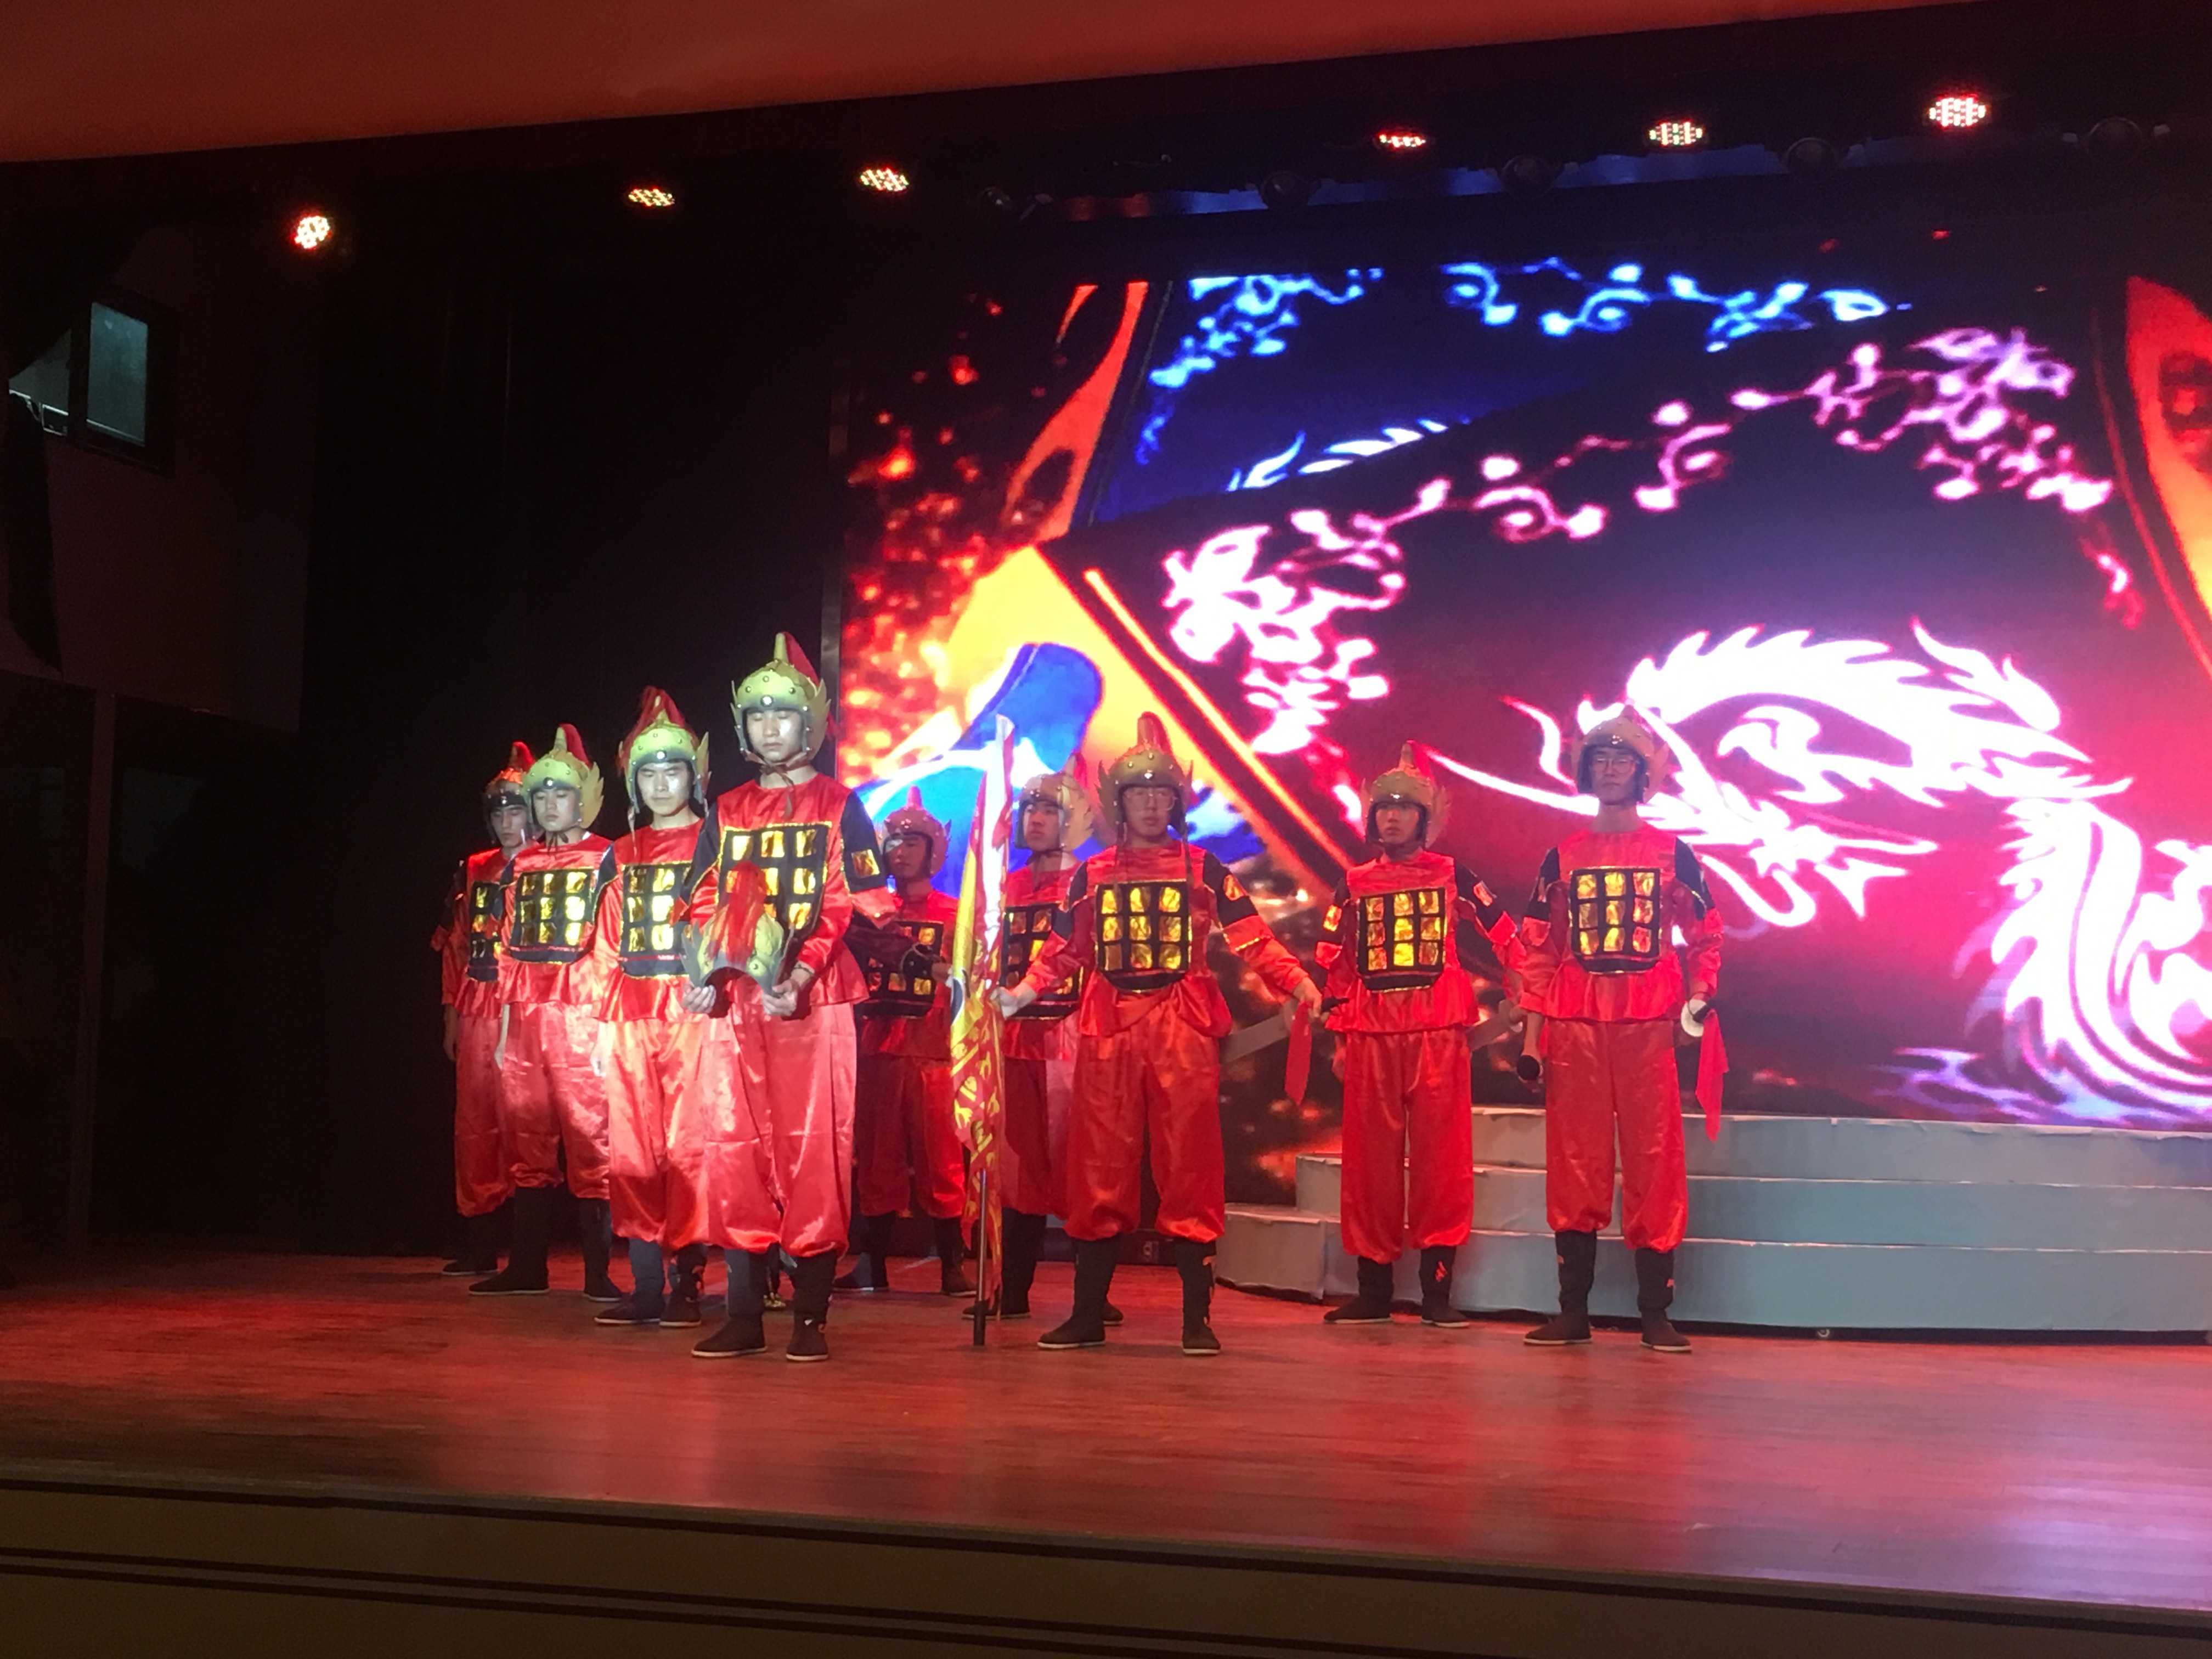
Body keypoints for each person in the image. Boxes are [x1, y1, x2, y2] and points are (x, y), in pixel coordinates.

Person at [999, 713, 1322, 1356]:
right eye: (1139, 793)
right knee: (1098, 1163)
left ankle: (1197, 1318)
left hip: (1182, 1023)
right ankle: (1087, 1312)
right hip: (1109, 1025)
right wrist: (1019, 995)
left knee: (1190, 1163)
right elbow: (1064, 950)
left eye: (1162, 793)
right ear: (1119, 803)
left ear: (1177, 802)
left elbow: (1253, 938)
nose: (1151, 803)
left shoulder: (1205, 869)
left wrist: (1298, 982)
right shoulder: (1092, 874)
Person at [699, 632, 895, 1362]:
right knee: (736, 1146)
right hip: (739, 1002)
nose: (770, 727)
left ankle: (809, 1314)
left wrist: (802, 972)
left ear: (811, 721)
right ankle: (744, 1311)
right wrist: (706, 975)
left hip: (816, 998)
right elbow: (701, 901)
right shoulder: (726, 809)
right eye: (758, 716)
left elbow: (852, 900)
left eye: (783, 713)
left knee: (816, 1148)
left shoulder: (840, 805)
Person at [1516, 713, 1724, 1355]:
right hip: (1576, 1022)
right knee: (1574, 1161)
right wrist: (1532, 1037)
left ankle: (1655, 1312)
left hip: (1647, 1022)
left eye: (1622, 760)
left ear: (1643, 773)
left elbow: (1707, 932)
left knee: (1654, 1158)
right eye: (1600, 759)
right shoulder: (1562, 856)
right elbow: (1541, 950)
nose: (1610, 769)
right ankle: (1572, 1310)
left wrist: (1698, 998)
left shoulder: (1673, 853)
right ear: (1586, 770)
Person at [1311, 743, 1517, 1329]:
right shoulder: (1354, 883)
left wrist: (1525, 992)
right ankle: (1373, 1290)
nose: (1393, 818)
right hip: (1372, 1033)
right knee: (1368, 1165)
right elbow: (1335, 964)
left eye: (1404, 809)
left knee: (1441, 1163)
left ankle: (1437, 1293)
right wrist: (1340, 1037)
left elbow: (1507, 935)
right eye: (1384, 809)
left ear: (1425, 819)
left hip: (1437, 1033)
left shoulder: (1454, 875)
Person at [587, 688, 761, 1336]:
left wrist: (713, 981)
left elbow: (735, 922)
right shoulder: (620, 853)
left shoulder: (716, 841)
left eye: (673, 772)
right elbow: (605, 945)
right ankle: (644, 1284)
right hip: (631, 1013)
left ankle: (688, 1280)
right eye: (648, 774)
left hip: (697, 1014)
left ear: (696, 777)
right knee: (633, 1151)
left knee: (690, 1147)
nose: (661, 785)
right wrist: (599, 1027)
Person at [472, 726, 618, 1300]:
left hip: (582, 1015)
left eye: (562, 793)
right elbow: (508, 950)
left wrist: (605, 1029)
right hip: (527, 1017)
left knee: (591, 1141)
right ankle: (527, 1266)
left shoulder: (606, 857)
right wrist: (506, 1032)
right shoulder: (523, 864)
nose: (551, 804)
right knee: (527, 1139)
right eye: (542, 795)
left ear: (584, 798)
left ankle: (599, 1272)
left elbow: (611, 948)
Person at [843, 789, 971, 1297]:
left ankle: (952, 1264)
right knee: (876, 1158)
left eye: (912, 842)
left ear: (932, 850)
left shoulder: (956, 913)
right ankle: (871, 1262)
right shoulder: (869, 914)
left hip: (934, 1050)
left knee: (942, 1158)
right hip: (876, 1045)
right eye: (893, 842)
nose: (901, 851)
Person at [991, 761, 1102, 1321]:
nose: (1035, 819)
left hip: (1073, 1037)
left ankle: (1092, 1296)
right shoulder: (1006, 887)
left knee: (1080, 1162)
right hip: (1015, 1038)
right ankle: (1012, 1290)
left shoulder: (1092, 881)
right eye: (1030, 808)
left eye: (1049, 809)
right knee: (1017, 1168)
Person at [431, 741, 534, 1278]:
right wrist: (451, 1014)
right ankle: (480, 1241)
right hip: (480, 1002)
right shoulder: (475, 869)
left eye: (516, 811)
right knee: (475, 1123)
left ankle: (530, 1249)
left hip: (532, 1005)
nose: (507, 822)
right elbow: (455, 946)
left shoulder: (552, 865)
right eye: (499, 813)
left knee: (530, 1123)